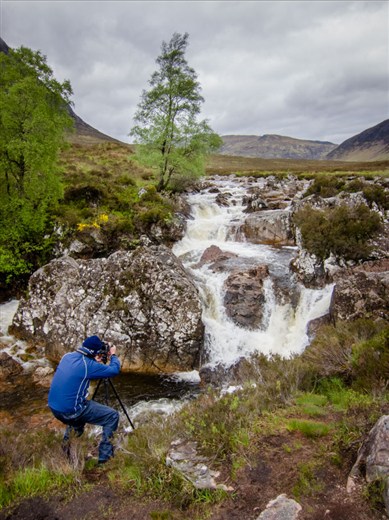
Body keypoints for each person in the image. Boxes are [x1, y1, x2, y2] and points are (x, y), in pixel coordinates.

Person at [48, 335, 121, 465]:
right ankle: (105, 459)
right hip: (72, 411)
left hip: (55, 408)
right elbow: (114, 370)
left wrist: (94, 360)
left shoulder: (67, 356)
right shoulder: (88, 365)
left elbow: (77, 370)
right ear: (96, 352)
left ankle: (66, 454)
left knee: (76, 422)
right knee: (112, 416)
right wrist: (113, 355)